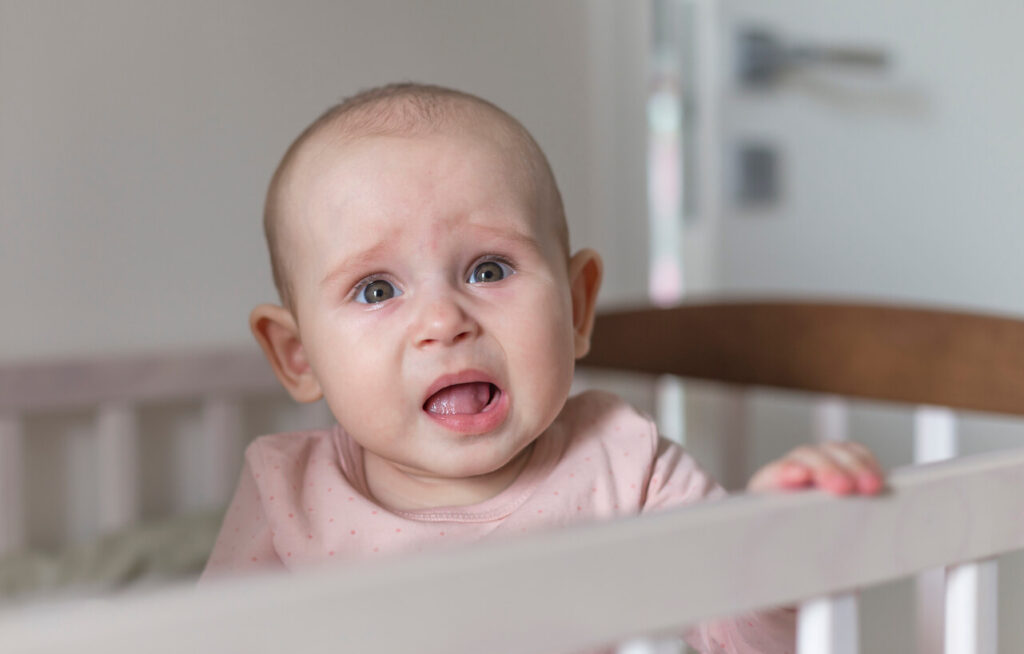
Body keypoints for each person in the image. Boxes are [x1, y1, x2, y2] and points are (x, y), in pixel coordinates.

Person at [201, 83, 884, 652]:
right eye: (377, 289)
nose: (444, 322)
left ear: (577, 305)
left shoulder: (628, 465)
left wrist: (773, 550)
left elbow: (739, 639)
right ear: (298, 356)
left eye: (489, 269)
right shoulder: (286, 493)